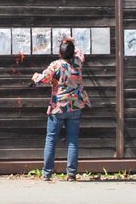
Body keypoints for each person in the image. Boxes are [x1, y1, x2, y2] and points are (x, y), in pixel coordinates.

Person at [31, 38, 91, 181]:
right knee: (72, 140)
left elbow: (42, 79)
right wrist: (70, 43)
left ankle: (47, 173)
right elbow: (79, 52)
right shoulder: (78, 62)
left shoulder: (56, 65)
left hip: (58, 107)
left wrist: (35, 77)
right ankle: (71, 174)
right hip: (75, 106)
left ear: (59, 52)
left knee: (51, 139)